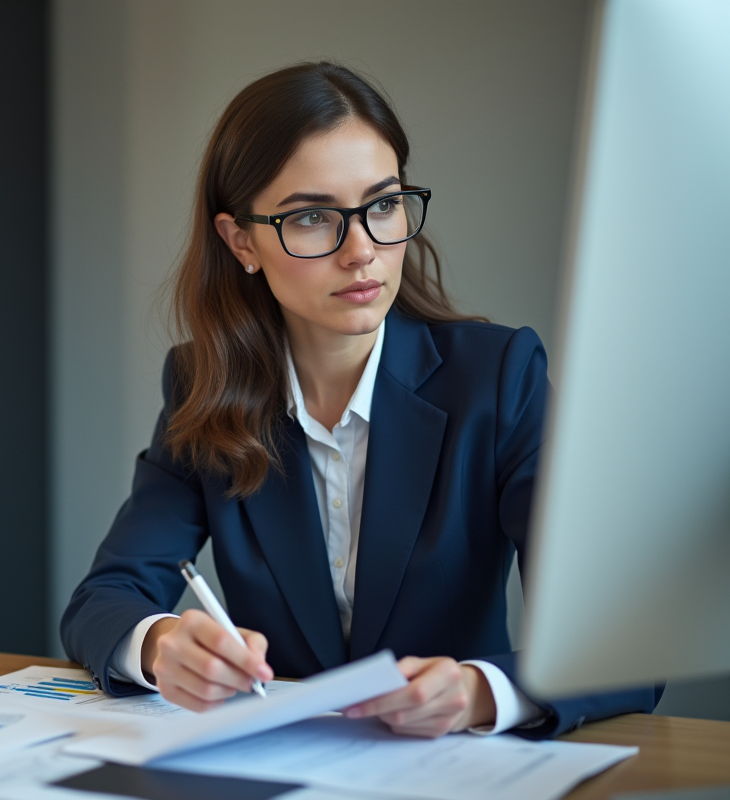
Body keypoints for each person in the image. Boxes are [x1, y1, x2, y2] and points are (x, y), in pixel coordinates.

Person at [60, 61, 660, 739]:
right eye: (313, 217)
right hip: (278, 770)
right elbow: (102, 601)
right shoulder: (204, 388)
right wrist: (161, 644)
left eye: (382, 205)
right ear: (242, 242)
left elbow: (620, 651)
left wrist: (478, 692)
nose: (362, 250)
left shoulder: (500, 377)